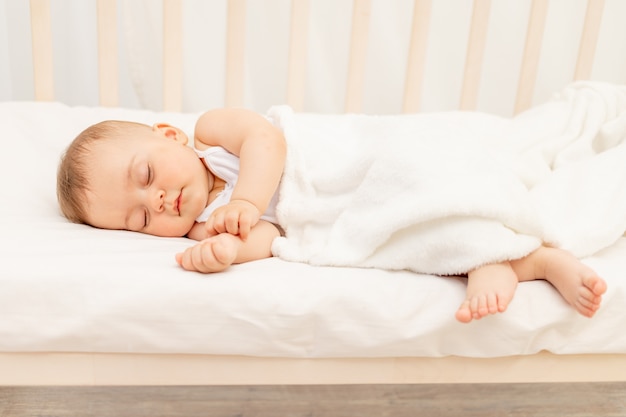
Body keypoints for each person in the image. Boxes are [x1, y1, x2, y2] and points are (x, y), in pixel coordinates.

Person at [56, 108, 607, 323]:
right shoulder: (207, 225)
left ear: (170, 137)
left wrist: (245, 200)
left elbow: (266, 139)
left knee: (416, 171)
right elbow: (268, 236)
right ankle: (517, 259)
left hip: (350, 159)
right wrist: (225, 250)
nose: (154, 203)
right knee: (392, 230)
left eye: (146, 177)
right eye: (138, 221)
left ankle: (513, 251)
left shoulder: (211, 134)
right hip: (335, 206)